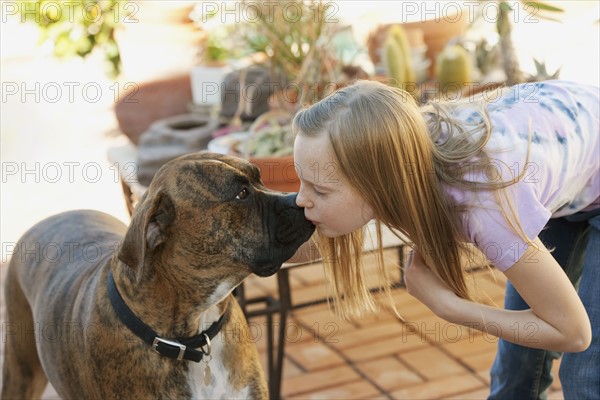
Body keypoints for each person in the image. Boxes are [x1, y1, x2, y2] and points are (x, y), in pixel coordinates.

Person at [291, 79, 599, 399]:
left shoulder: (485, 207)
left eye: (320, 190)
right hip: (570, 163)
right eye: (302, 180)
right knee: (517, 369)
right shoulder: (398, 150)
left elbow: (573, 332)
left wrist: (449, 307)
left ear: (380, 184)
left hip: (584, 152)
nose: (301, 199)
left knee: (586, 375)